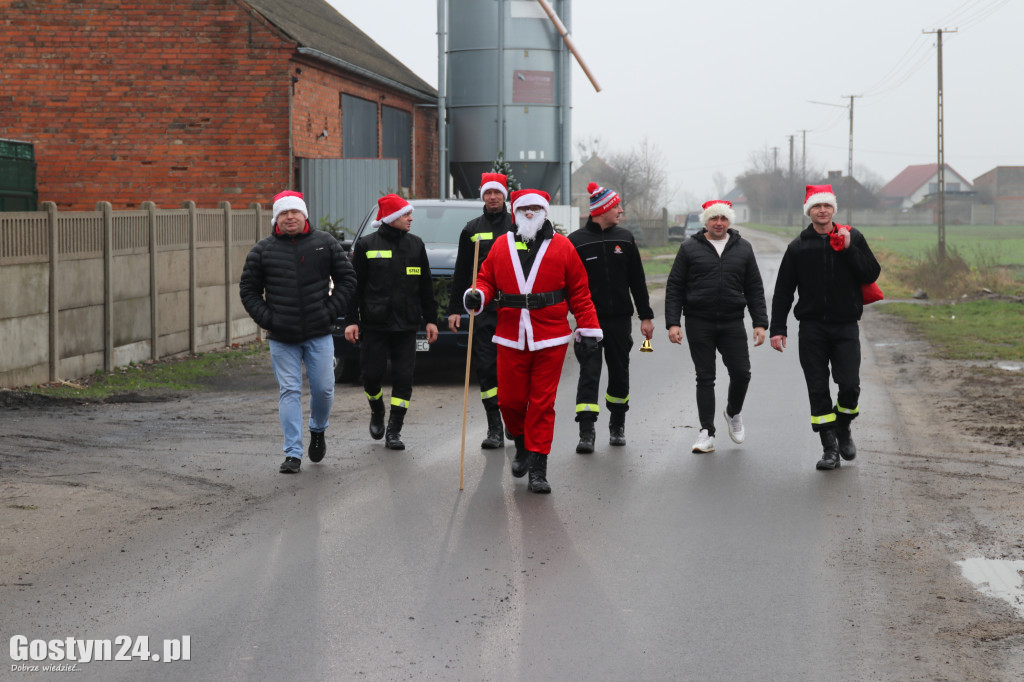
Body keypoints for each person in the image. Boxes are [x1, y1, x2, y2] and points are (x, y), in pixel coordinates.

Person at [464, 189, 602, 494]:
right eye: (524, 208)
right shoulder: (501, 246)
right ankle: (523, 442)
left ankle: (539, 468)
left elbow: (580, 293)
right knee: (509, 401)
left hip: (551, 337)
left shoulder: (564, 247)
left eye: (535, 208)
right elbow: (485, 279)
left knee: (542, 403)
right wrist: (478, 294)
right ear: (515, 211)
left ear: (544, 211)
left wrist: (589, 329)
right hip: (511, 335)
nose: (529, 213)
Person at [240, 190, 357, 474]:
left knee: (323, 389)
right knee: (289, 391)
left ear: (304, 215)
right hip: (282, 336)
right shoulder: (262, 250)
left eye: (294, 212)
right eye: (283, 213)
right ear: (276, 218)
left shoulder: (324, 243)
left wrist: (329, 311)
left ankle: (318, 430)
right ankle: (292, 453)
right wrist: (268, 318)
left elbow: (347, 279)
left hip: (318, 333)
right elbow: (248, 291)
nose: (289, 217)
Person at [769, 184, 882, 470]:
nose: (822, 211)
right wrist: (777, 328)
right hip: (812, 329)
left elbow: (871, 272)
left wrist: (848, 249)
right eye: (817, 207)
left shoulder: (852, 237)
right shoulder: (797, 247)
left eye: (827, 206)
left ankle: (843, 426)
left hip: (845, 326)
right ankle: (829, 448)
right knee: (818, 389)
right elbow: (783, 291)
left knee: (850, 386)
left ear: (833, 209)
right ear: (809, 211)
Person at [665, 199, 768, 453]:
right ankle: (706, 432)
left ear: (729, 221)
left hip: (732, 321)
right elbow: (675, 286)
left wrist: (760, 323)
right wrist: (673, 323)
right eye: (714, 219)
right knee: (705, 376)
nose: (719, 223)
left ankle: (733, 413)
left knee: (742, 372)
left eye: (723, 218)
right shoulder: (689, 248)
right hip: (699, 321)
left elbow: (754, 287)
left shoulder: (743, 248)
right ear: (706, 222)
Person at [345, 194, 439, 451]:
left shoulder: (416, 245)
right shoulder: (366, 245)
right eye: (406, 215)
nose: (411, 219)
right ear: (391, 218)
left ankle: (394, 430)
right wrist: (351, 321)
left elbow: (426, 288)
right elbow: (355, 288)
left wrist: (431, 320)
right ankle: (377, 410)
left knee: (403, 378)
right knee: (371, 376)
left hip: (406, 326)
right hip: (375, 325)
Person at [569, 182, 655, 453]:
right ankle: (586, 431)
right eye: (617, 206)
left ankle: (617, 425)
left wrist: (646, 316)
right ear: (603, 209)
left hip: (619, 320)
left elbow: (637, 281)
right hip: (588, 322)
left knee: (619, 373)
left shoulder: (626, 238)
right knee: (589, 375)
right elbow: (567, 285)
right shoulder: (575, 242)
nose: (621, 211)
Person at [447, 173, 513, 450]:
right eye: (488, 194)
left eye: (497, 193)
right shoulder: (472, 229)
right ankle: (494, 426)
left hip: (513, 309)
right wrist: (454, 309)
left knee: (511, 368)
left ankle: (513, 419)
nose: (492, 198)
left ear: (504, 195)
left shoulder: (517, 225)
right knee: (486, 368)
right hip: (483, 310)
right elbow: (462, 271)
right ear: (483, 196)